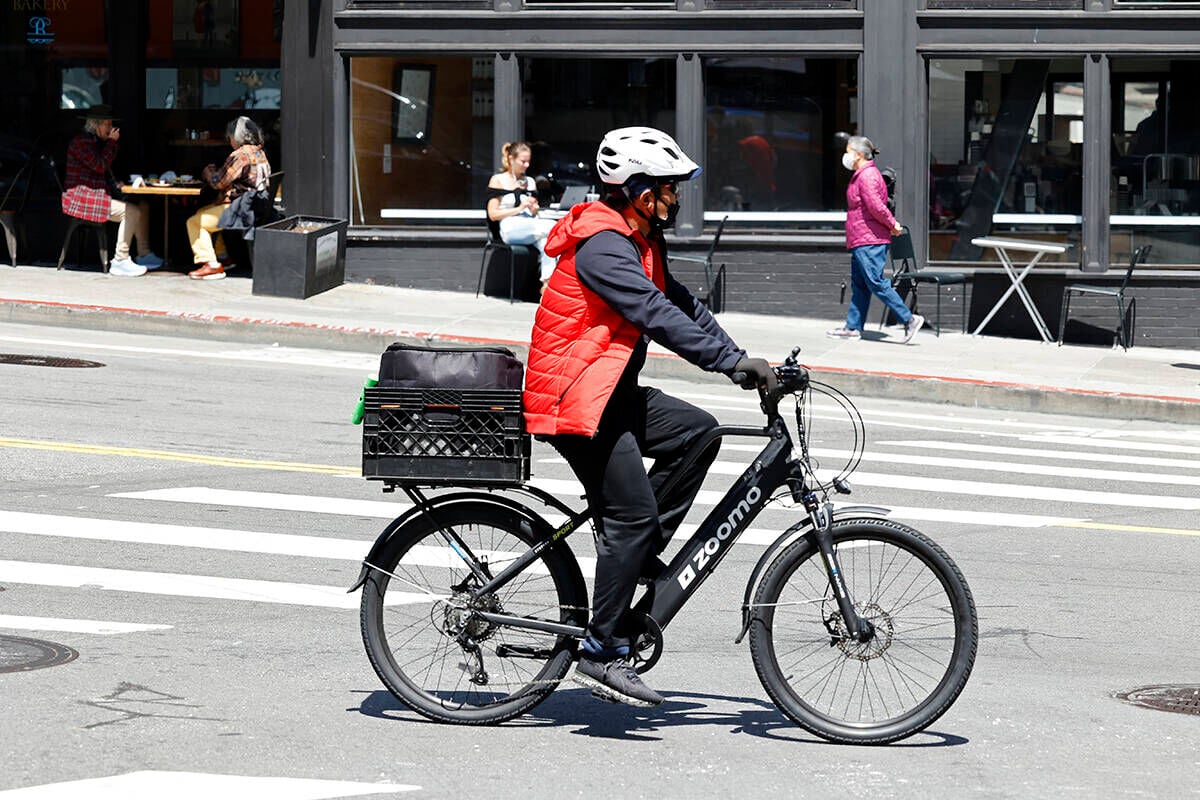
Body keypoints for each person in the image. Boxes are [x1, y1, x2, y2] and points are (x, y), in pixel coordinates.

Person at [523, 126, 777, 707]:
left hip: (607, 389)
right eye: (670, 187)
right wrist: (730, 365)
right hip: (574, 399)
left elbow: (684, 304)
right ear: (640, 192)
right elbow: (655, 314)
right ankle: (601, 650)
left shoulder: (640, 239)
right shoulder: (603, 246)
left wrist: (744, 358)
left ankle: (631, 552)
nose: (678, 197)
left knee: (698, 431)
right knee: (632, 517)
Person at [826, 135, 924, 343]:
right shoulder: (861, 174)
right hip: (861, 238)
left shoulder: (867, 176)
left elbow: (877, 207)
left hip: (870, 239)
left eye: (848, 151)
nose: (846, 155)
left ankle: (909, 320)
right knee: (861, 285)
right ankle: (853, 327)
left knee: (875, 282)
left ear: (859, 154)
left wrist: (893, 224)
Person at [61, 105, 163, 277]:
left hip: (96, 194)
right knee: (131, 211)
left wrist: (117, 184)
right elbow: (100, 165)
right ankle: (120, 260)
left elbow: (100, 172)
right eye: (108, 125)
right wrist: (112, 143)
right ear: (96, 125)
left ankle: (144, 254)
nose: (111, 129)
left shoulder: (95, 142)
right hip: (81, 199)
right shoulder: (81, 143)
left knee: (142, 206)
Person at [186, 116, 271, 280]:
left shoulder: (240, 155)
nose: (229, 140)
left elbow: (219, 182)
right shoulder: (259, 152)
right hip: (257, 205)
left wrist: (208, 173)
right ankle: (223, 257)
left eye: (230, 137)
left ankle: (210, 265)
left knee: (195, 221)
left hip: (243, 208)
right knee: (204, 211)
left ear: (236, 137)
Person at [486, 141, 557, 294]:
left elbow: (534, 212)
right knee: (553, 228)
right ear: (511, 159)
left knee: (547, 243)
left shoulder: (530, 182)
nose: (526, 165)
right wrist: (519, 208)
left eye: (528, 161)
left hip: (531, 225)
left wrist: (534, 209)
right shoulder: (498, 180)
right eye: (523, 161)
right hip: (510, 228)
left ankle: (547, 285)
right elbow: (493, 214)